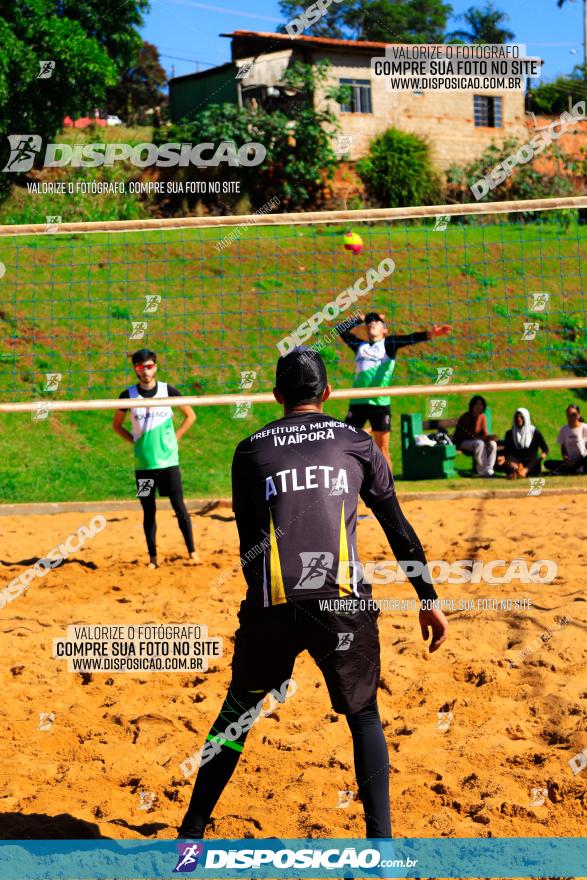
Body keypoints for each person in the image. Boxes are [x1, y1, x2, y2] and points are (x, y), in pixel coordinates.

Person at [177, 347, 448, 840]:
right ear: (327, 393)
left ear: (277, 395)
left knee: (237, 714)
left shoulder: (250, 448)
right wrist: (426, 596)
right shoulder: (358, 443)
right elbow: (396, 527)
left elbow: (249, 541)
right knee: (364, 716)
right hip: (341, 600)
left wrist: (264, 615)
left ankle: (190, 836)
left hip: (275, 600)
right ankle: (381, 852)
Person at [112, 348, 199, 568]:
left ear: (155, 367)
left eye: (149, 366)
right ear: (135, 369)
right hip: (143, 466)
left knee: (179, 507)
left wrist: (175, 439)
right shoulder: (128, 395)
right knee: (148, 511)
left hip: (169, 463)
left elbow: (190, 416)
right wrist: (135, 442)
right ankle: (152, 559)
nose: (145, 371)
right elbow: (116, 425)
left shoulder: (166, 390)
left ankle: (192, 553)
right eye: (140, 367)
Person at [335, 311, 451, 469]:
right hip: (358, 402)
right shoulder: (359, 346)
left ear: (385, 330)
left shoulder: (389, 344)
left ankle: (390, 491)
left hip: (379, 403)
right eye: (369, 322)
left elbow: (410, 338)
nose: (372, 323)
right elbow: (340, 329)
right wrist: (359, 319)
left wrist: (431, 334)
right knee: (344, 443)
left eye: (376, 321)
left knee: (382, 449)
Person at [496, 408, 549, 479]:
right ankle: (517, 470)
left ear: (526, 418)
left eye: (521, 417)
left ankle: (522, 472)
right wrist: (503, 458)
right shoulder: (509, 434)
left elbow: (545, 448)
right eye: (517, 417)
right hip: (515, 462)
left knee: (535, 460)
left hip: (530, 463)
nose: (519, 419)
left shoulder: (534, 432)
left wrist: (541, 457)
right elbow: (507, 452)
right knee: (507, 460)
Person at [453, 395, 497, 478]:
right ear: (472, 405)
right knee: (479, 443)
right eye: (476, 404)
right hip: (462, 442)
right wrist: (484, 438)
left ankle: (489, 469)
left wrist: (490, 437)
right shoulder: (466, 417)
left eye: (481, 404)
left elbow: (484, 434)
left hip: (476, 441)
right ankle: (482, 471)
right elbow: (468, 436)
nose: (478, 406)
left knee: (492, 443)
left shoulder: (482, 417)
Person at [545, 404, 587, 475]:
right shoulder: (564, 429)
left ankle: (572, 469)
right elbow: (563, 447)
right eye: (568, 415)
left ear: (578, 415)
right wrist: (565, 458)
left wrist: (578, 460)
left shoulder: (584, 427)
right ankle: (574, 469)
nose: (571, 417)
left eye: (573, 414)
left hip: (583, 459)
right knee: (548, 463)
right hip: (569, 461)